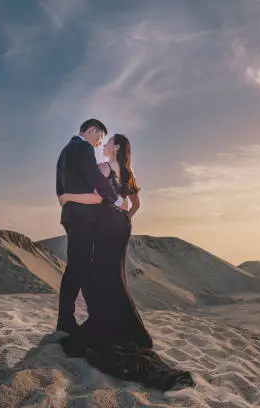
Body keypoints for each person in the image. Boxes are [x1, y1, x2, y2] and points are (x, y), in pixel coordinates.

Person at [57, 133, 195, 391]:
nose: (105, 145)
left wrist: (68, 199)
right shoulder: (129, 172)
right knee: (115, 274)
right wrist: (125, 216)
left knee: (101, 273)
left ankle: (106, 321)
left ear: (116, 147)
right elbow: (136, 204)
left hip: (106, 225)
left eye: (108, 143)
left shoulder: (104, 167)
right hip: (122, 226)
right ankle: (123, 322)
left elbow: (97, 198)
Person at [55, 118, 123, 334]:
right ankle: (66, 320)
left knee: (78, 266)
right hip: (83, 217)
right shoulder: (83, 147)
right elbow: (94, 177)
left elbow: (60, 188)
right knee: (77, 267)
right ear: (91, 130)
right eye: (99, 137)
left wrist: (66, 199)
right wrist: (114, 198)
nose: (98, 143)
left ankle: (78, 316)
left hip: (70, 215)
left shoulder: (64, 152)